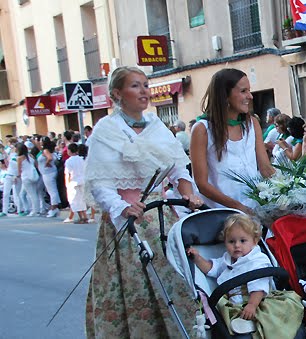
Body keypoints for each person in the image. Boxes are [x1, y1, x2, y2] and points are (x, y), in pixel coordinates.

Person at [85, 66, 204, 338]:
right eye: (135, 86)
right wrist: (122, 207)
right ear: (117, 94)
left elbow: (177, 170)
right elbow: (100, 182)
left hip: (160, 218)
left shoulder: (156, 126)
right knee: (135, 285)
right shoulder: (105, 130)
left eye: (146, 85)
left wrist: (188, 193)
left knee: (175, 281)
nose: (144, 91)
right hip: (128, 220)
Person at [187, 213, 303, 336]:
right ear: (225, 242)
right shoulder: (226, 259)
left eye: (243, 241)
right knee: (227, 314)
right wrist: (197, 258)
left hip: (257, 300)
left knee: (267, 316)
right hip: (235, 304)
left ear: (255, 241)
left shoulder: (257, 260)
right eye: (231, 241)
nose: (237, 245)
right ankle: (244, 325)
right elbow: (211, 269)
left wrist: (252, 305)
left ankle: (257, 324)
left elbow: (259, 285)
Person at [190, 68, 275, 214]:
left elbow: (265, 168)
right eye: (243, 91)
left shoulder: (252, 123)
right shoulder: (202, 129)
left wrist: (289, 190)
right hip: (222, 215)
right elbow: (201, 184)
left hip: (256, 210)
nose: (250, 96)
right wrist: (238, 207)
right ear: (225, 95)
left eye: (249, 90)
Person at [17, 143, 41, 217]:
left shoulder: (19, 158)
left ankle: (35, 210)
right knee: (28, 193)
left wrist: (18, 176)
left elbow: (19, 170)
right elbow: (36, 164)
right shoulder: (30, 156)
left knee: (32, 194)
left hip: (25, 177)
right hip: (33, 176)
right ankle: (33, 209)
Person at [39, 137, 60, 217]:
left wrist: (47, 163)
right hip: (48, 173)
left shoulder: (45, 150)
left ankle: (54, 207)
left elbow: (50, 158)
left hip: (48, 173)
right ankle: (55, 206)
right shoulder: (46, 150)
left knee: (52, 190)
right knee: (50, 190)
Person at [0, 141, 21, 217]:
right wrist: (4, 154)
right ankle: (4, 211)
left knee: (17, 194)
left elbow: (19, 167)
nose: (12, 148)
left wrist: (17, 175)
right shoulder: (10, 155)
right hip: (9, 175)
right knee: (6, 193)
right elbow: (7, 164)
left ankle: (20, 209)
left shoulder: (20, 156)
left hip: (16, 176)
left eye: (14, 147)